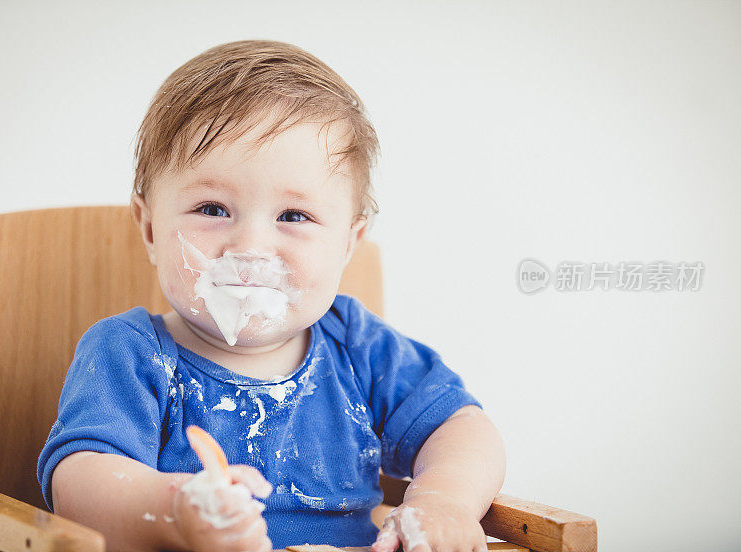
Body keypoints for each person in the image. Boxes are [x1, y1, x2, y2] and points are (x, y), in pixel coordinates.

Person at [37, 39, 506, 552]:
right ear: (150, 229)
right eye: (213, 209)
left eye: (293, 216)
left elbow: (463, 428)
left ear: (348, 243)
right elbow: (77, 483)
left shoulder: (357, 346)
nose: (252, 248)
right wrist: (177, 512)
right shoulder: (130, 352)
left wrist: (443, 501)